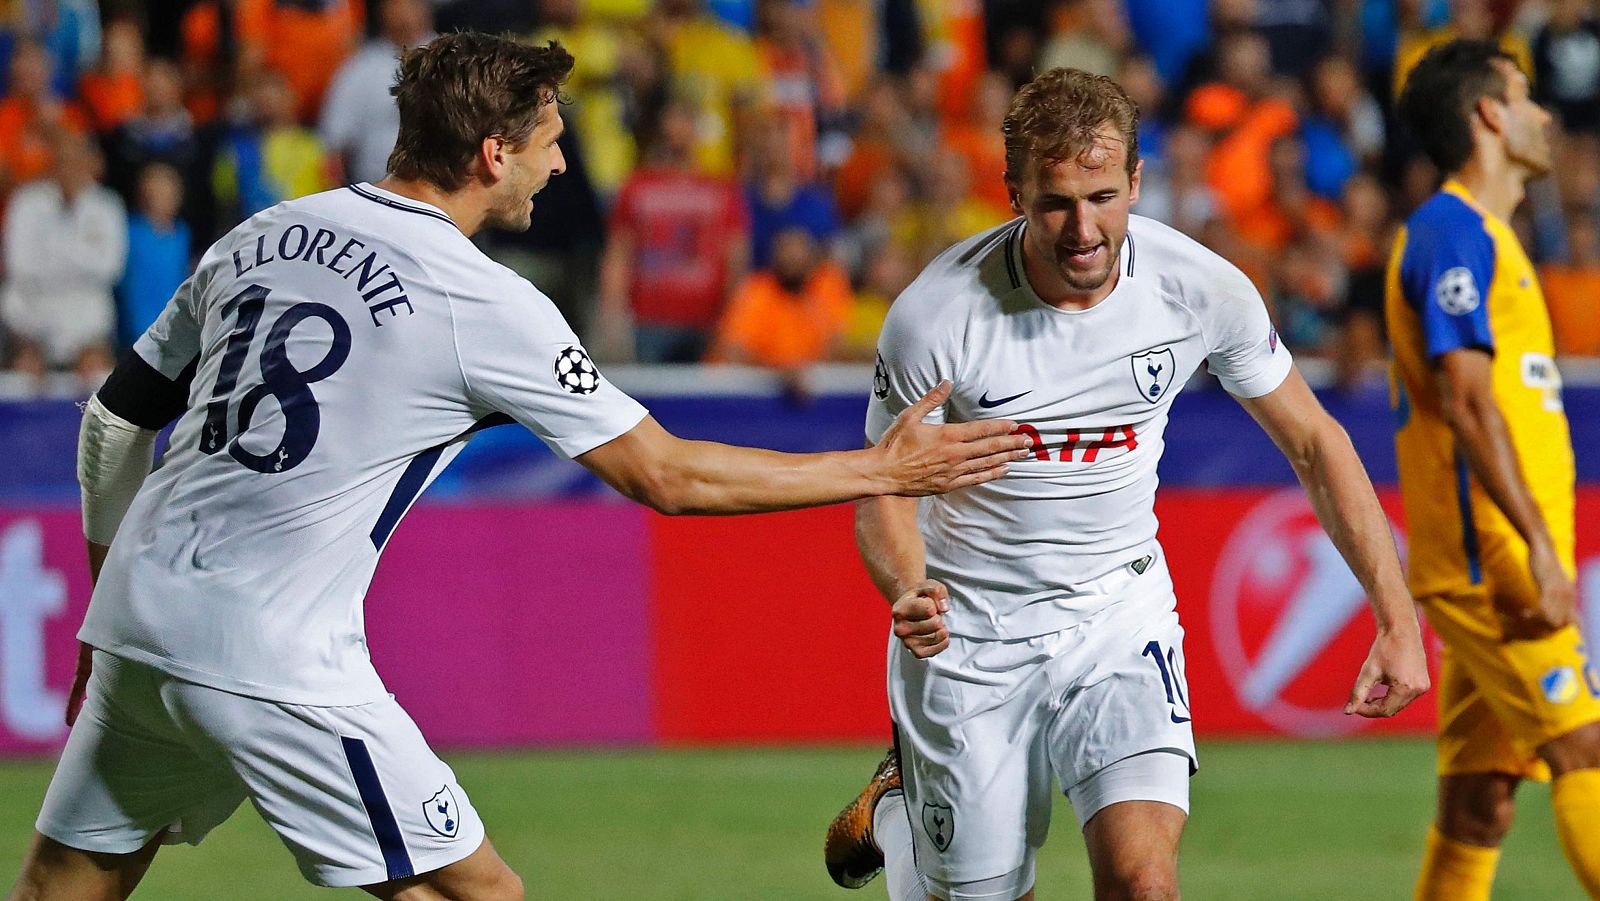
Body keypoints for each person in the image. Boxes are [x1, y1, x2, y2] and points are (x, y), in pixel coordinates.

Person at [3, 34, 1028, 901]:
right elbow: (665, 475)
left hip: (134, 618)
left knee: (64, 882)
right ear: (493, 152)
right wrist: (881, 470)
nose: (563, 167)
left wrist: (109, 594)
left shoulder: (265, 233)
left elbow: (111, 422)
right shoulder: (477, 299)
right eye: (550, 144)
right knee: (477, 891)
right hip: (268, 646)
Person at [822, 67, 1430, 901]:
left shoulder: (1198, 289)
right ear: (1013, 194)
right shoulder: (939, 316)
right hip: (971, 632)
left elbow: (1317, 444)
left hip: (1117, 616)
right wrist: (909, 584)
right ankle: (904, 815)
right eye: (1056, 203)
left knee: (1146, 882)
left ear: (1138, 182)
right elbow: (881, 487)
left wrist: (1396, 618)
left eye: (1104, 196)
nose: (1084, 228)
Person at [1387, 40, 1600, 901]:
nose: (1544, 114)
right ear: (1488, 115)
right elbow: (1470, 404)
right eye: (1525, 96)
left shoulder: (1494, 242)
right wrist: (1543, 551)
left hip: (1500, 555)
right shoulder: (1450, 230)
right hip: (1496, 561)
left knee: (1480, 804)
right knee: (1584, 745)